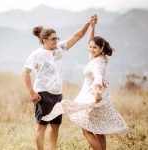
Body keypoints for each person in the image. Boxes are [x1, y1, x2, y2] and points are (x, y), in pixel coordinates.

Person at [41, 15, 128, 150]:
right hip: (98, 97)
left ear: (101, 49)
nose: (91, 49)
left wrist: (98, 92)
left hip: (94, 97)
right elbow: (90, 42)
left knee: (87, 131)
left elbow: (98, 77)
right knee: (98, 130)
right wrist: (92, 27)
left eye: (94, 48)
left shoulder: (97, 63)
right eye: (91, 47)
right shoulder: (98, 57)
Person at [23, 15, 97, 150]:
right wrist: (32, 92)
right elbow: (25, 72)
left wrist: (88, 23)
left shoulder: (59, 49)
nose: (56, 41)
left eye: (57, 38)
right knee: (41, 126)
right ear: (44, 40)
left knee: (55, 126)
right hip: (42, 93)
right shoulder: (36, 54)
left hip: (57, 95)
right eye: (53, 39)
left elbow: (77, 36)